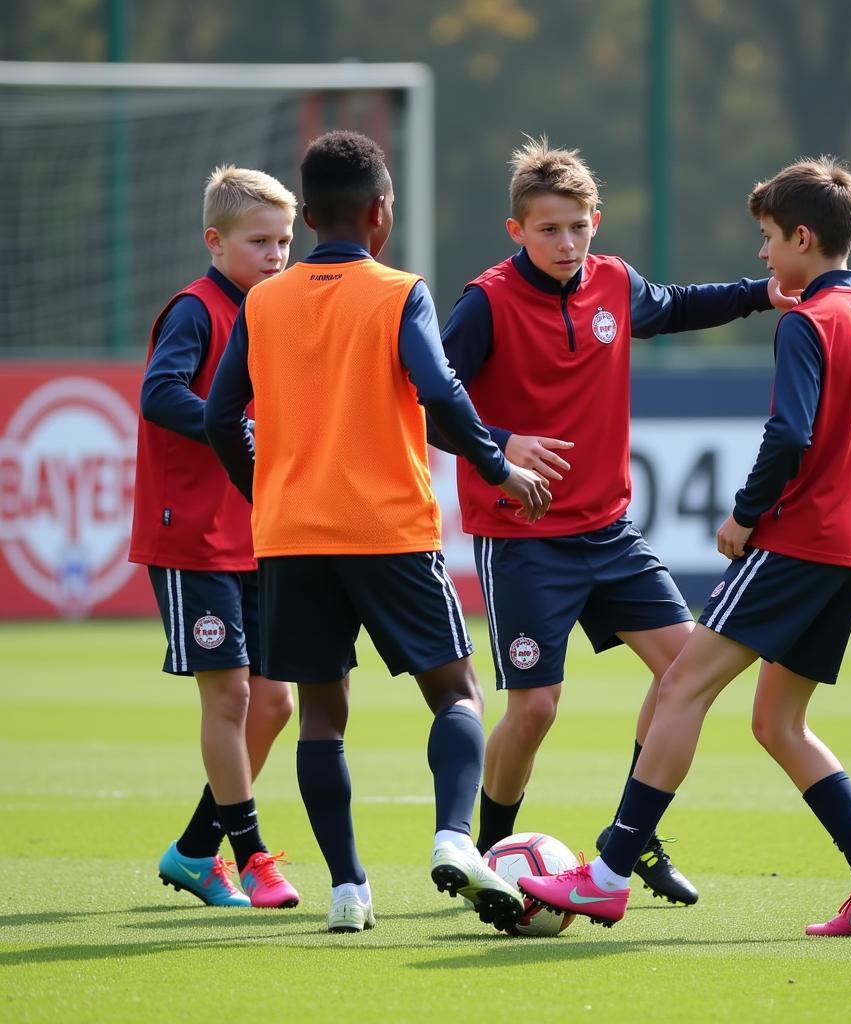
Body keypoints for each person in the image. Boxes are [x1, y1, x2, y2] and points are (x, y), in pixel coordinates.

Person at [519, 155, 851, 935]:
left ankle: (607, 874)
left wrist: (745, 514)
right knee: (779, 723)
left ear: (804, 238)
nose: (764, 256)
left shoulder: (807, 321)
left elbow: (790, 433)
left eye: (770, 239)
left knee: (680, 687)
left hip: (799, 540)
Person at [204, 129, 552, 934]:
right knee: (457, 693)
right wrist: (499, 468)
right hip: (390, 530)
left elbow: (223, 415)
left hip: (292, 536)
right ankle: (452, 839)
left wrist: (266, 489)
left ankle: (347, 890)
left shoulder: (262, 299)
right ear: (379, 214)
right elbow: (439, 391)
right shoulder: (400, 292)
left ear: (313, 214)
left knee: (322, 715)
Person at [437, 136, 795, 905]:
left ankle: (628, 841)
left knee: (683, 676)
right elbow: (424, 401)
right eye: (548, 229)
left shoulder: (613, 283)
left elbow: (680, 305)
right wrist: (500, 446)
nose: (566, 243)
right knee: (535, 708)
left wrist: (764, 294)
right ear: (516, 232)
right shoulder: (486, 302)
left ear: (596, 220)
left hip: (610, 532)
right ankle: (492, 850)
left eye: (578, 226)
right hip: (523, 536)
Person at [129, 165, 300, 909]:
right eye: (260, 241)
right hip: (192, 536)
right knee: (229, 695)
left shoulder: (277, 312)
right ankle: (252, 854)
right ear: (215, 241)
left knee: (276, 704)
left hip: (257, 535)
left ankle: (198, 850)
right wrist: (231, 423)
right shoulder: (196, 311)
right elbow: (159, 393)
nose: (276, 255)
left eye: (285, 240)